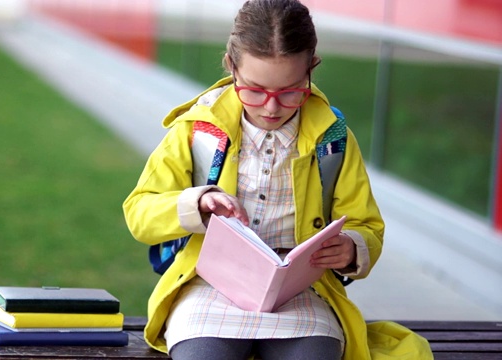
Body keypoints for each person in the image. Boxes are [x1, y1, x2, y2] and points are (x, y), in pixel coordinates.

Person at [123, 0, 432, 359]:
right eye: (254, 90)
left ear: (311, 69)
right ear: (231, 67)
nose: (271, 107)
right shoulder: (197, 129)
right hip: (208, 287)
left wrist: (351, 248)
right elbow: (140, 211)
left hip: (301, 293)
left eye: (290, 91)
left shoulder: (332, 138)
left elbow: (367, 224)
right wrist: (197, 204)